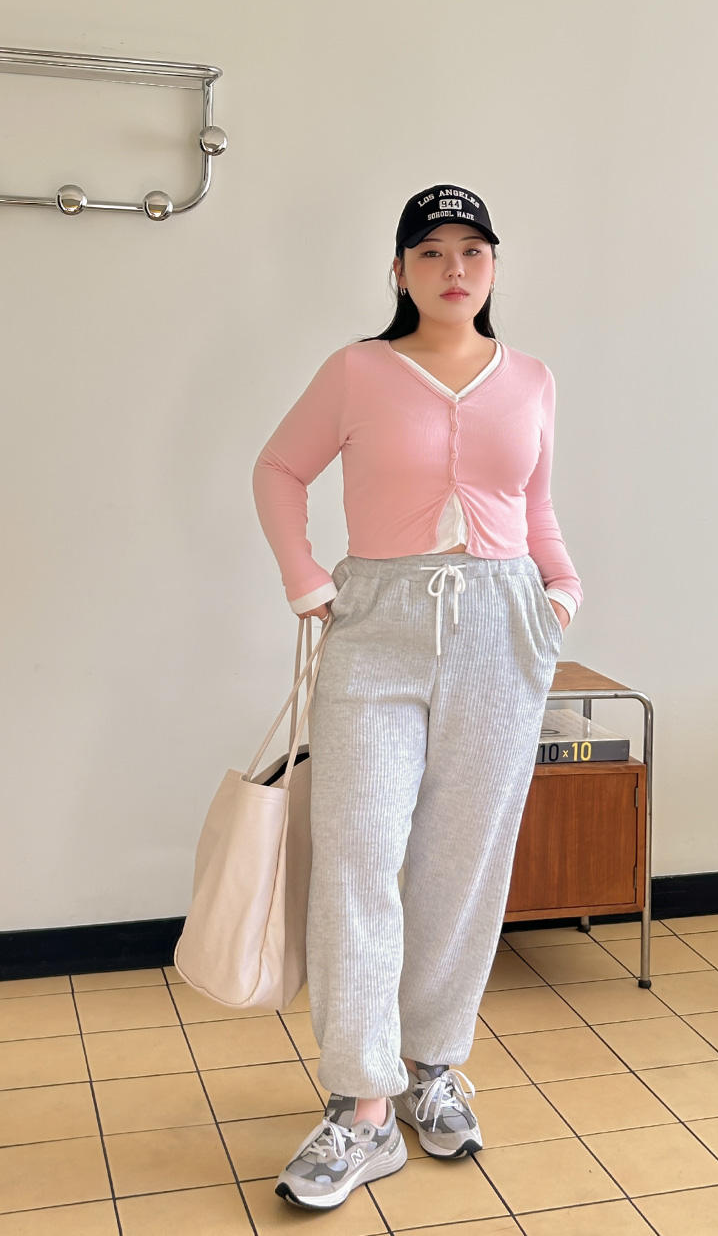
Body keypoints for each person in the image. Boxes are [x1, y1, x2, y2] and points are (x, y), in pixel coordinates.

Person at [252, 183, 582, 1210]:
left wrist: (562, 594)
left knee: (463, 859)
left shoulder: (532, 379)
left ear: (494, 267)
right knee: (357, 851)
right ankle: (363, 1103)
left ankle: (430, 1063)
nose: (453, 268)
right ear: (398, 270)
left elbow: (534, 505)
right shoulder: (356, 370)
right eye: (430, 250)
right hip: (380, 624)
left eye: (472, 250)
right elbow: (278, 468)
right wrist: (307, 581)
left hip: (504, 623)